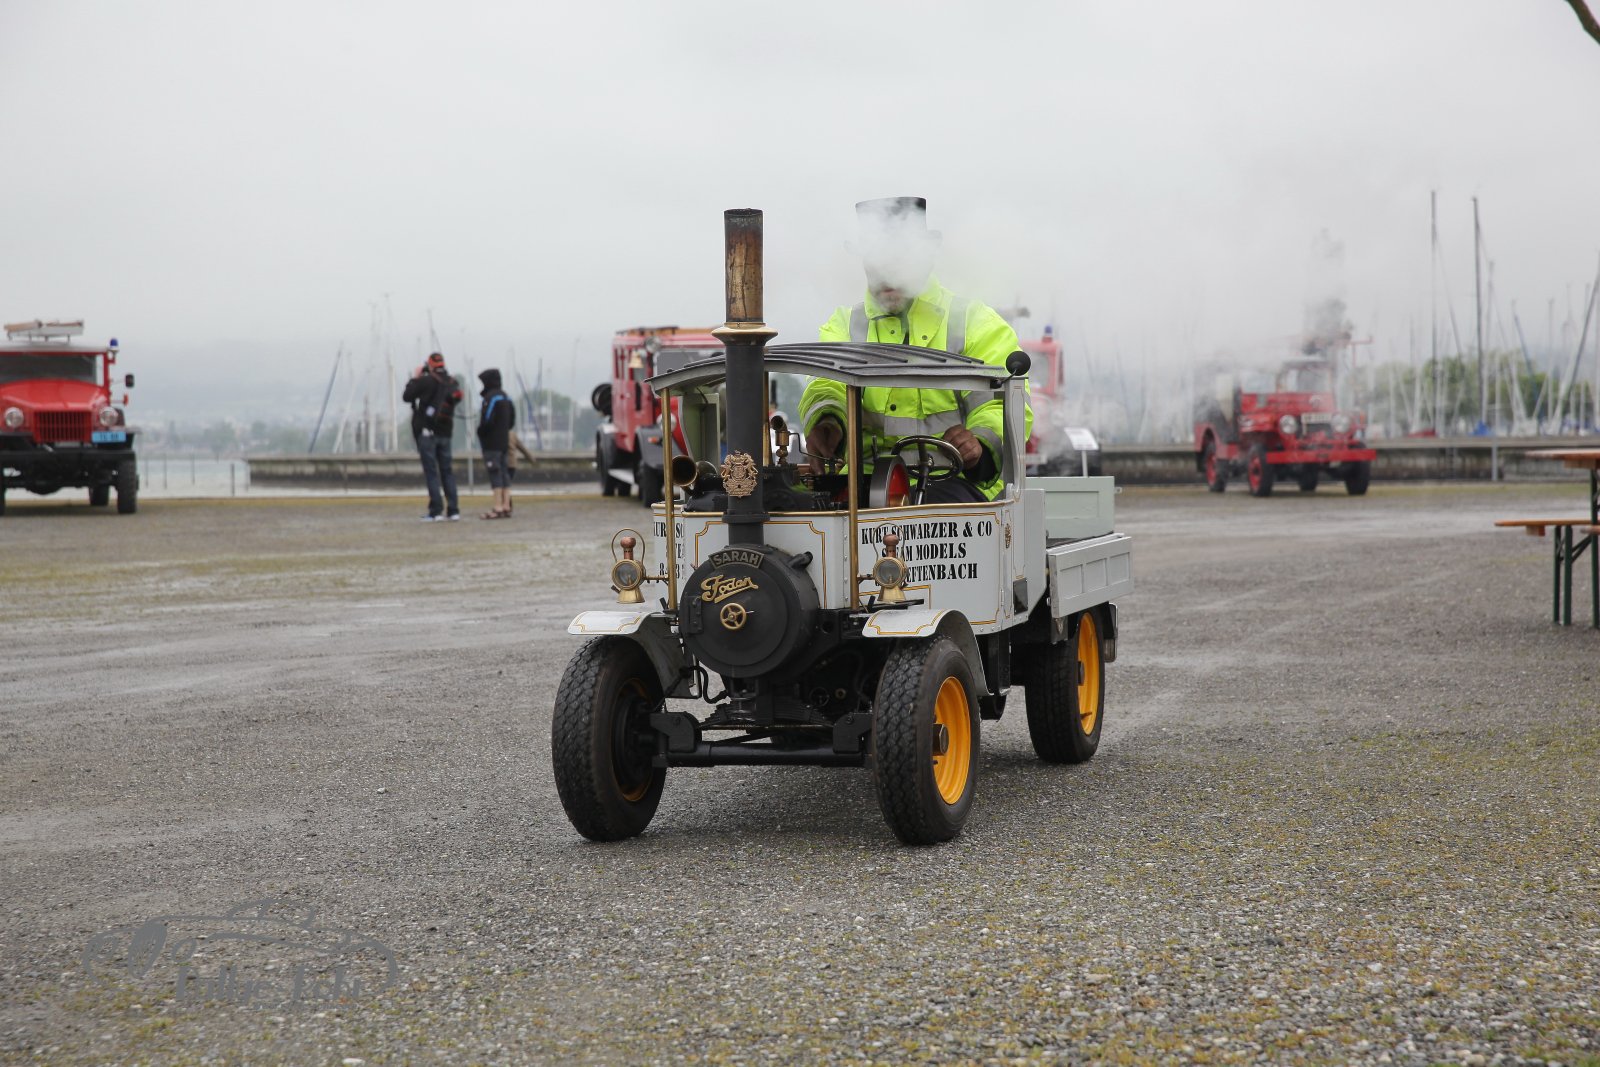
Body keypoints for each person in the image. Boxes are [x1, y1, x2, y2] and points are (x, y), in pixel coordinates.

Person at [800, 197, 1031, 503]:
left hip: (952, 483)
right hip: (863, 485)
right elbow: (825, 386)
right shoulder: (843, 324)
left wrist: (980, 442)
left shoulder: (976, 322)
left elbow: (1003, 406)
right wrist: (827, 420)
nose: (886, 274)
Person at [402, 352, 463, 521]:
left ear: (429, 365)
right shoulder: (452, 382)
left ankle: (436, 511)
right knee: (447, 471)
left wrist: (416, 377)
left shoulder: (425, 381)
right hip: (446, 432)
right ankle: (453, 510)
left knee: (431, 472)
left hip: (427, 432)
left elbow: (407, 396)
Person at [475, 367, 516, 519]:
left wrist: (480, 432)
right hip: (504, 441)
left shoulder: (490, 398)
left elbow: (486, 421)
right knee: (504, 473)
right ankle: (506, 505)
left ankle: (497, 507)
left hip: (491, 443)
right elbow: (512, 420)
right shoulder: (506, 397)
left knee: (495, 473)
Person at [503, 428, 538, 516]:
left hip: (504, 464)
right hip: (512, 464)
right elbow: (522, 448)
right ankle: (507, 507)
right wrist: (531, 459)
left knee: (503, 486)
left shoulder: (499, 434)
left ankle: (507, 507)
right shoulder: (512, 435)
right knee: (506, 486)